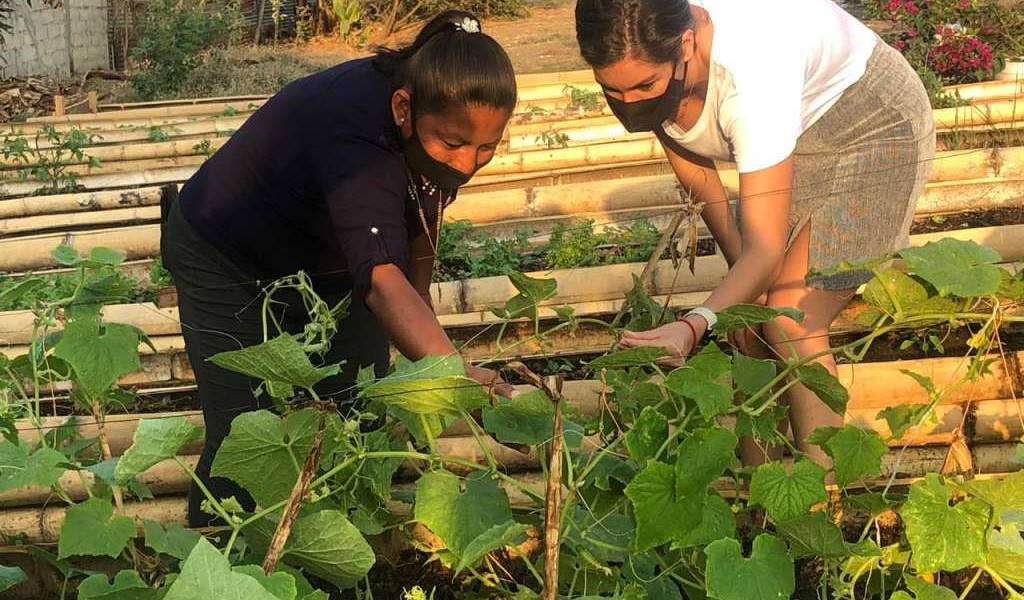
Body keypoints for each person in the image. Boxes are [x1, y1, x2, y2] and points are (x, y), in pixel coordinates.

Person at [161, 10, 517, 526]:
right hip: (226, 257)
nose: (468, 162)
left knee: (360, 414)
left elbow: (423, 216)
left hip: (327, 262)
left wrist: (426, 349)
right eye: (455, 144)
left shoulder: (441, 123)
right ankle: (220, 548)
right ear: (403, 109)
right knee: (244, 440)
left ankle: (340, 549)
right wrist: (456, 379)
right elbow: (382, 282)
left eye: (488, 148)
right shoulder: (353, 128)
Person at [574, 0, 935, 466]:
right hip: (798, 126)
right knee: (750, 327)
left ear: (686, 44)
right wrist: (738, 301)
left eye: (645, 85)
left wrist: (696, 323)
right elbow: (697, 174)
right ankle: (757, 493)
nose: (630, 102)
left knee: (792, 321)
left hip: (873, 125)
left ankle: (817, 498)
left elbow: (763, 251)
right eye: (612, 89)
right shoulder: (646, 49)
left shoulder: (752, 77)